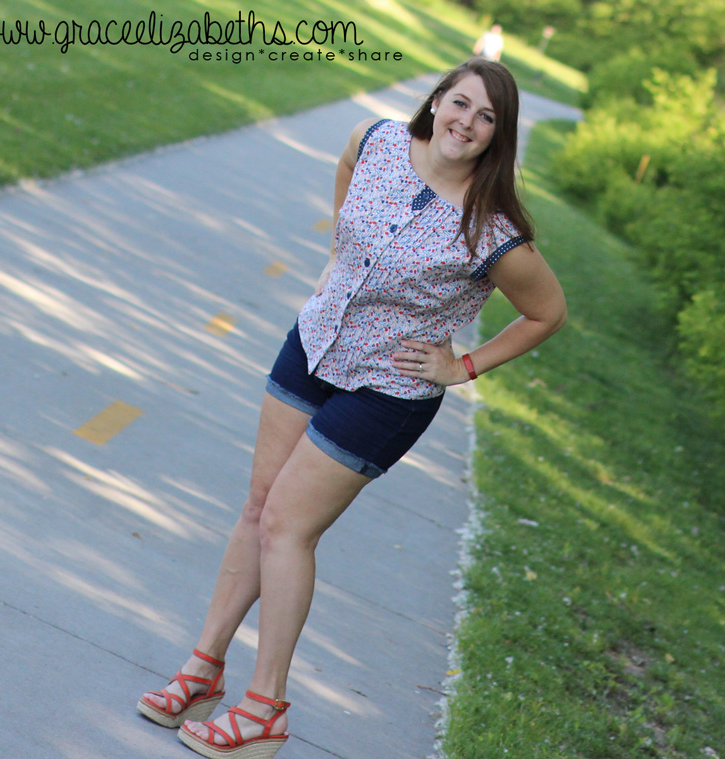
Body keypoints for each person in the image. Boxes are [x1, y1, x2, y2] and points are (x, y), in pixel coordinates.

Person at [137, 57, 567, 759]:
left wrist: (460, 365)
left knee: (285, 524)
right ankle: (201, 670)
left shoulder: (493, 232)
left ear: (499, 134)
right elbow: (344, 165)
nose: (465, 122)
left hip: (387, 389)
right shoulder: (377, 142)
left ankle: (264, 709)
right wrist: (343, 249)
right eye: (459, 103)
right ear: (437, 102)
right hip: (312, 343)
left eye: (485, 116)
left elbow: (546, 312)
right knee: (256, 508)